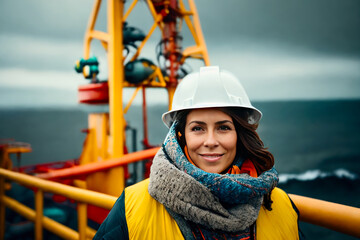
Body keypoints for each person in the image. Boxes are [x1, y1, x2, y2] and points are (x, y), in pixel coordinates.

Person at [93, 66, 300, 240]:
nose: (210, 141)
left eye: (224, 128)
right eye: (198, 128)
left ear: (240, 134)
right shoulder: (132, 208)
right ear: (181, 136)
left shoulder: (281, 206)